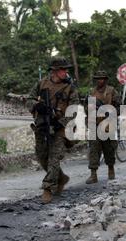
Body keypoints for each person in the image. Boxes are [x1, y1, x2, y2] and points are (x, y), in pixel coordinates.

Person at [29, 56, 79, 204]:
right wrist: (36, 106)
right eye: (63, 69)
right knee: (42, 156)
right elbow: (29, 99)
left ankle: (48, 188)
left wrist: (61, 122)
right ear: (54, 71)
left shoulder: (70, 87)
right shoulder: (42, 83)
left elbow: (75, 109)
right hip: (42, 125)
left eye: (66, 69)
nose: (65, 72)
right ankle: (61, 178)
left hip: (60, 128)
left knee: (54, 157)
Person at [85, 71, 121, 185]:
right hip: (95, 124)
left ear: (105, 80)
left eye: (101, 79)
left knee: (109, 149)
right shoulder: (92, 92)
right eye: (98, 79)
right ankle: (93, 174)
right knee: (94, 149)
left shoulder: (111, 91)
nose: (99, 81)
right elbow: (88, 108)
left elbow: (120, 106)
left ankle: (111, 169)